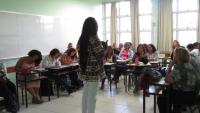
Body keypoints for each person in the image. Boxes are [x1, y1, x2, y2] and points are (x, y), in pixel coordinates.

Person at [157, 47, 200, 113]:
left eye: (174, 55)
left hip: (184, 95)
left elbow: (167, 79)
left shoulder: (179, 68)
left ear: (177, 57)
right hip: (194, 94)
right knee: (170, 88)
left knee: (162, 98)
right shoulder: (192, 63)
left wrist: (170, 66)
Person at [77, 17, 104, 113]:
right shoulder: (94, 38)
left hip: (84, 70)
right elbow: (100, 53)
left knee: (86, 94)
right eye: (96, 25)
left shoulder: (81, 38)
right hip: (93, 71)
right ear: (94, 27)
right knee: (92, 97)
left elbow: (80, 52)